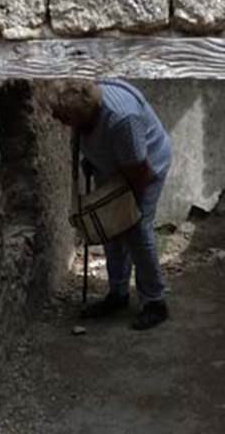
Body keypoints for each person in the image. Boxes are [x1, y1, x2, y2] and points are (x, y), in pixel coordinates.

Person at [51, 79, 172, 331]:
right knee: (111, 228)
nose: (57, 120)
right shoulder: (86, 103)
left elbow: (140, 172)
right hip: (115, 167)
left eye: (63, 117)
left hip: (146, 169)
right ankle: (117, 293)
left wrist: (128, 209)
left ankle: (154, 302)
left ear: (82, 115)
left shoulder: (122, 119)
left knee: (137, 230)